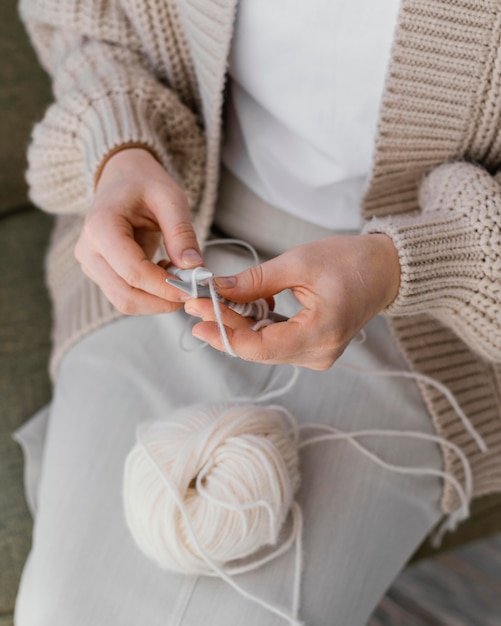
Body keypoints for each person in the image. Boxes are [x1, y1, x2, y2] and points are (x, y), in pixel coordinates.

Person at [13, 0, 501, 624]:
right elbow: (88, 23)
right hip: (181, 240)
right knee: (64, 609)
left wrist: (410, 265)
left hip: (433, 311)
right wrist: (121, 146)